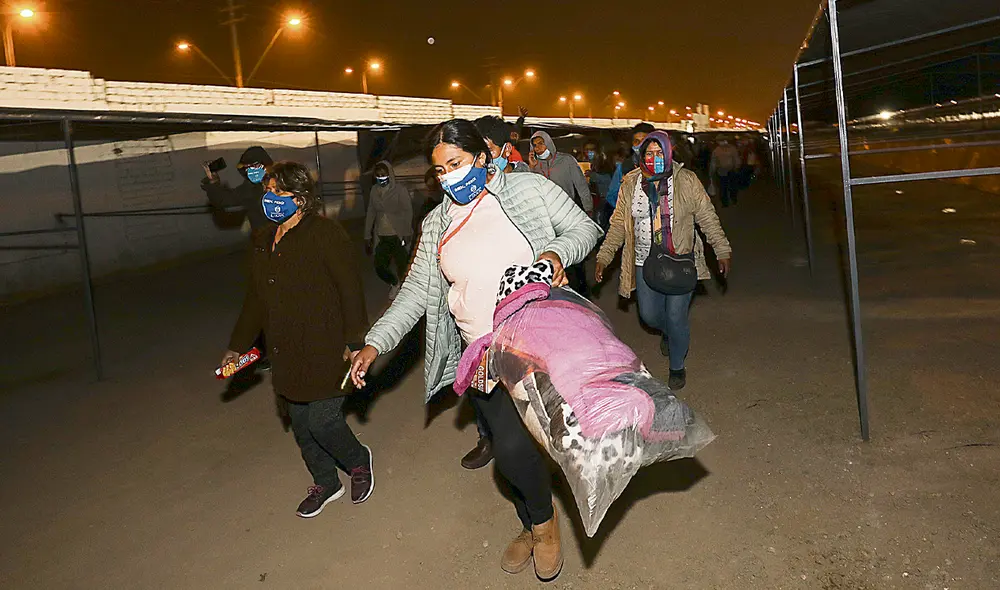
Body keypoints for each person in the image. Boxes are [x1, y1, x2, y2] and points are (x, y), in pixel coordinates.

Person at [349, 119, 602, 581]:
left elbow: (585, 229)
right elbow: (412, 294)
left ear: (482, 159)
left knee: (519, 445)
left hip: (536, 339)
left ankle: (542, 528)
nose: (448, 177)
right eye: (439, 170)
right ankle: (535, 523)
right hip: (480, 353)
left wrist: (555, 255)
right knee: (509, 449)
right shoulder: (437, 223)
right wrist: (374, 342)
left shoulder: (527, 191)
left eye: (456, 164)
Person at [221, 161, 375, 518]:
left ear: (302, 199)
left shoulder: (326, 234)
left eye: (279, 192)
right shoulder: (262, 240)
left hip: (325, 345)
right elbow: (256, 299)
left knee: (323, 421)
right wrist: (238, 346)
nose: (270, 198)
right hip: (284, 348)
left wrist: (355, 343)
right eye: (267, 191)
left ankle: (357, 460)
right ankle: (326, 481)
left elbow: (350, 291)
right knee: (302, 425)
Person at [595, 131, 732, 391]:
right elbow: (618, 226)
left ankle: (677, 365)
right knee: (649, 315)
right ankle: (669, 333)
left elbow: (707, 217)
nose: (654, 158)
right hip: (643, 260)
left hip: (680, 259)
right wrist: (604, 255)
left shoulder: (686, 180)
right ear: (641, 155)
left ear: (669, 153)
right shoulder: (630, 183)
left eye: (659, 153)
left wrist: (721, 249)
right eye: (649, 153)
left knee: (677, 316)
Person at [203, 145, 274, 375]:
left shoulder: (278, 184)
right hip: (263, 251)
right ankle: (264, 349)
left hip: (288, 245)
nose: (253, 171)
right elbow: (224, 201)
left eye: (257, 167)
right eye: (249, 168)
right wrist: (213, 183)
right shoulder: (249, 189)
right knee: (261, 300)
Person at [528, 130, 594, 298]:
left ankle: (582, 293)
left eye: (541, 143)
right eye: (535, 145)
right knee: (552, 257)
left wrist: (588, 209)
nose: (538, 148)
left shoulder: (566, 161)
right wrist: (532, 169)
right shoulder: (535, 165)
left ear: (549, 143)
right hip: (544, 218)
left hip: (567, 215)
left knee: (574, 258)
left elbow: (581, 185)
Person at [365, 160, 414, 298]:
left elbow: (407, 211)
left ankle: (406, 293)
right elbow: (371, 212)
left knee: (403, 266)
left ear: (390, 174)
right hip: (382, 235)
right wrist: (367, 235)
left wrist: (406, 232)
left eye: (384, 174)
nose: (381, 177)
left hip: (398, 235)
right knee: (379, 265)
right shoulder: (374, 191)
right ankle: (394, 283)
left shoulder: (400, 190)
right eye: (378, 175)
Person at [606, 123, 655, 219]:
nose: (640, 145)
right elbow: (611, 196)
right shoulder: (625, 167)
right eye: (636, 141)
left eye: (644, 141)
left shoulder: (664, 166)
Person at [711, 138, 743, 207]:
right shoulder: (731, 149)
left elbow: (713, 162)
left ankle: (726, 202)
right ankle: (732, 200)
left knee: (724, 187)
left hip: (723, 170)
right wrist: (737, 166)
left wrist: (713, 171)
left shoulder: (717, 150)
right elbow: (736, 159)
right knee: (730, 186)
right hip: (729, 169)